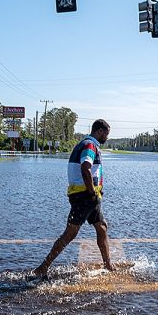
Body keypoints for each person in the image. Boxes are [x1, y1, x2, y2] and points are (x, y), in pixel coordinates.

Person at [33, 119, 111, 279]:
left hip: (88, 196)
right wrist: (91, 193)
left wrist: (94, 194)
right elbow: (85, 168)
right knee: (70, 233)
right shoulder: (90, 145)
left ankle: (108, 265)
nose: (107, 138)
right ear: (100, 131)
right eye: (106, 134)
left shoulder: (86, 143)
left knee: (102, 227)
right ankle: (43, 267)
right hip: (85, 196)